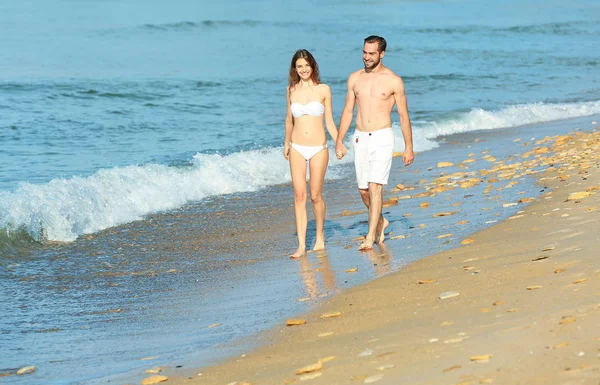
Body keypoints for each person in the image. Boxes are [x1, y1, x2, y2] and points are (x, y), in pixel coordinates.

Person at [335, 35, 415, 251]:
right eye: (364, 52)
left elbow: (404, 115)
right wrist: (339, 140)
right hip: (360, 137)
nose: (366, 57)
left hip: (382, 137)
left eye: (371, 53)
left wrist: (408, 146)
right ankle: (380, 221)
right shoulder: (355, 78)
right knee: (363, 190)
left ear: (382, 54)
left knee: (375, 186)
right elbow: (348, 111)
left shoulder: (393, 81)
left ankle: (370, 236)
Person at [284, 49, 339, 259]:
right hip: (297, 146)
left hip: (319, 148)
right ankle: (301, 245)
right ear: (295, 69)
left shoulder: (324, 89)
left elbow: (330, 122)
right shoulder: (291, 90)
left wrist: (339, 143)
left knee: (315, 195)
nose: (303, 70)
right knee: (299, 195)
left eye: (306, 65)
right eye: (299, 66)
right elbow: (289, 120)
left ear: (312, 66)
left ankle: (319, 237)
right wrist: (286, 143)